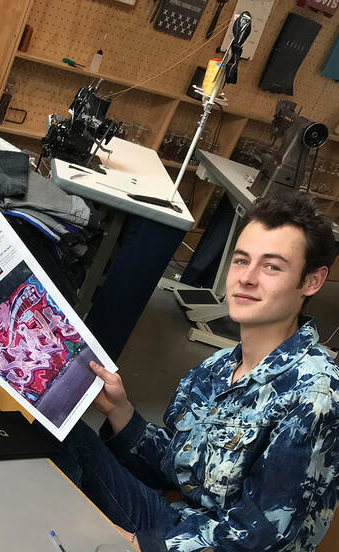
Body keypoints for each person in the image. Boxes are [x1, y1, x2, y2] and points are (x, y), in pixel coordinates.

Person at [46, 192, 339, 551]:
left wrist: (139, 544)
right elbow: (175, 469)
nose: (246, 278)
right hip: (178, 524)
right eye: (241, 260)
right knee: (50, 426)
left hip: (201, 544)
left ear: (312, 281)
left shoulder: (316, 394)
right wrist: (120, 411)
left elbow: (262, 538)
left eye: (272, 266)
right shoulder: (217, 368)